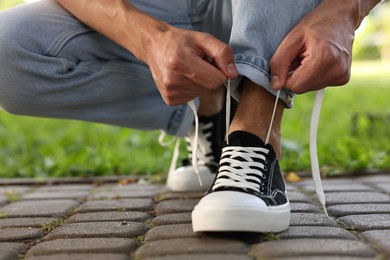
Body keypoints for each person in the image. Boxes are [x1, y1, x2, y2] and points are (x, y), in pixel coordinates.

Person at [0, 0, 381, 233]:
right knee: (9, 53)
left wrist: (345, 9)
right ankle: (208, 104)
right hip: (153, 6)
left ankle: (254, 133)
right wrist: (151, 40)